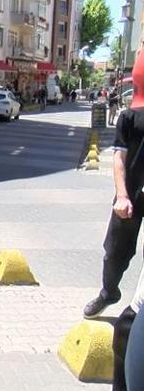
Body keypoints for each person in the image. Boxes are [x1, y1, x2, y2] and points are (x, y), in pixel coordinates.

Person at [84, 49, 144, 319]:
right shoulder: (129, 118)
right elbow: (119, 158)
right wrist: (122, 195)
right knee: (115, 250)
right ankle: (109, 292)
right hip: (131, 195)